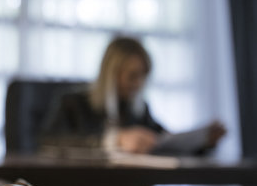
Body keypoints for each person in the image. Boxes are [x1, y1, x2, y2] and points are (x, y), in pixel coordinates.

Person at [40, 36, 225, 155]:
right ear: (112, 73)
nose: (139, 83)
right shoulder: (73, 104)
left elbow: (164, 142)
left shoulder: (137, 110)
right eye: (133, 76)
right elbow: (49, 143)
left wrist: (203, 141)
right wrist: (116, 140)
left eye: (144, 76)